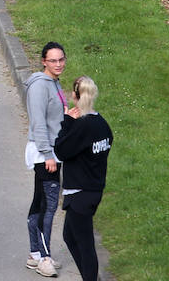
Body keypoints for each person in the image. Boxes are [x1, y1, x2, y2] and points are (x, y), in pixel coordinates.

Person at [54, 76, 113, 281]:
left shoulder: (81, 126)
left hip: (80, 194)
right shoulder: (101, 123)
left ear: (75, 96)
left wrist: (67, 122)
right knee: (70, 236)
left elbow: (61, 150)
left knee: (86, 246)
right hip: (93, 190)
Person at [23, 42, 68, 278]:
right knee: (48, 206)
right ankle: (45, 257)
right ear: (43, 61)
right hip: (44, 153)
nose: (58, 64)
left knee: (39, 202)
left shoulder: (54, 83)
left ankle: (35, 254)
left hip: (50, 151)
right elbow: (38, 122)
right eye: (53, 60)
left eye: (61, 59)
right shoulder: (40, 86)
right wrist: (48, 154)